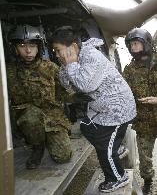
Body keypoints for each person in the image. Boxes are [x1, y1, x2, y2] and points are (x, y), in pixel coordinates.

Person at [50, 26, 136, 193]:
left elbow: (85, 85)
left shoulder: (91, 56)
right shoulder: (74, 58)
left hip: (117, 110)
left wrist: (71, 64)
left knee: (104, 148)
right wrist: (68, 65)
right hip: (102, 108)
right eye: (55, 51)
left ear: (73, 47)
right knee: (87, 127)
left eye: (59, 50)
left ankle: (118, 178)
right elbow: (66, 84)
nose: (57, 54)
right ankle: (116, 147)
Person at [6, 24, 72, 169]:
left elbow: (65, 93)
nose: (28, 51)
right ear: (15, 48)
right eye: (23, 46)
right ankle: (37, 147)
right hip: (28, 117)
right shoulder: (8, 72)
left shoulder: (50, 68)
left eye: (32, 46)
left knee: (63, 157)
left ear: (39, 48)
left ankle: (52, 138)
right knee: (30, 116)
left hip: (52, 115)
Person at [123, 27, 157, 194]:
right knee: (144, 157)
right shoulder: (129, 69)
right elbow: (123, 92)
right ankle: (148, 180)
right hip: (144, 121)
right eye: (130, 44)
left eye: (136, 43)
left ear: (146, 44)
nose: (132, 47)